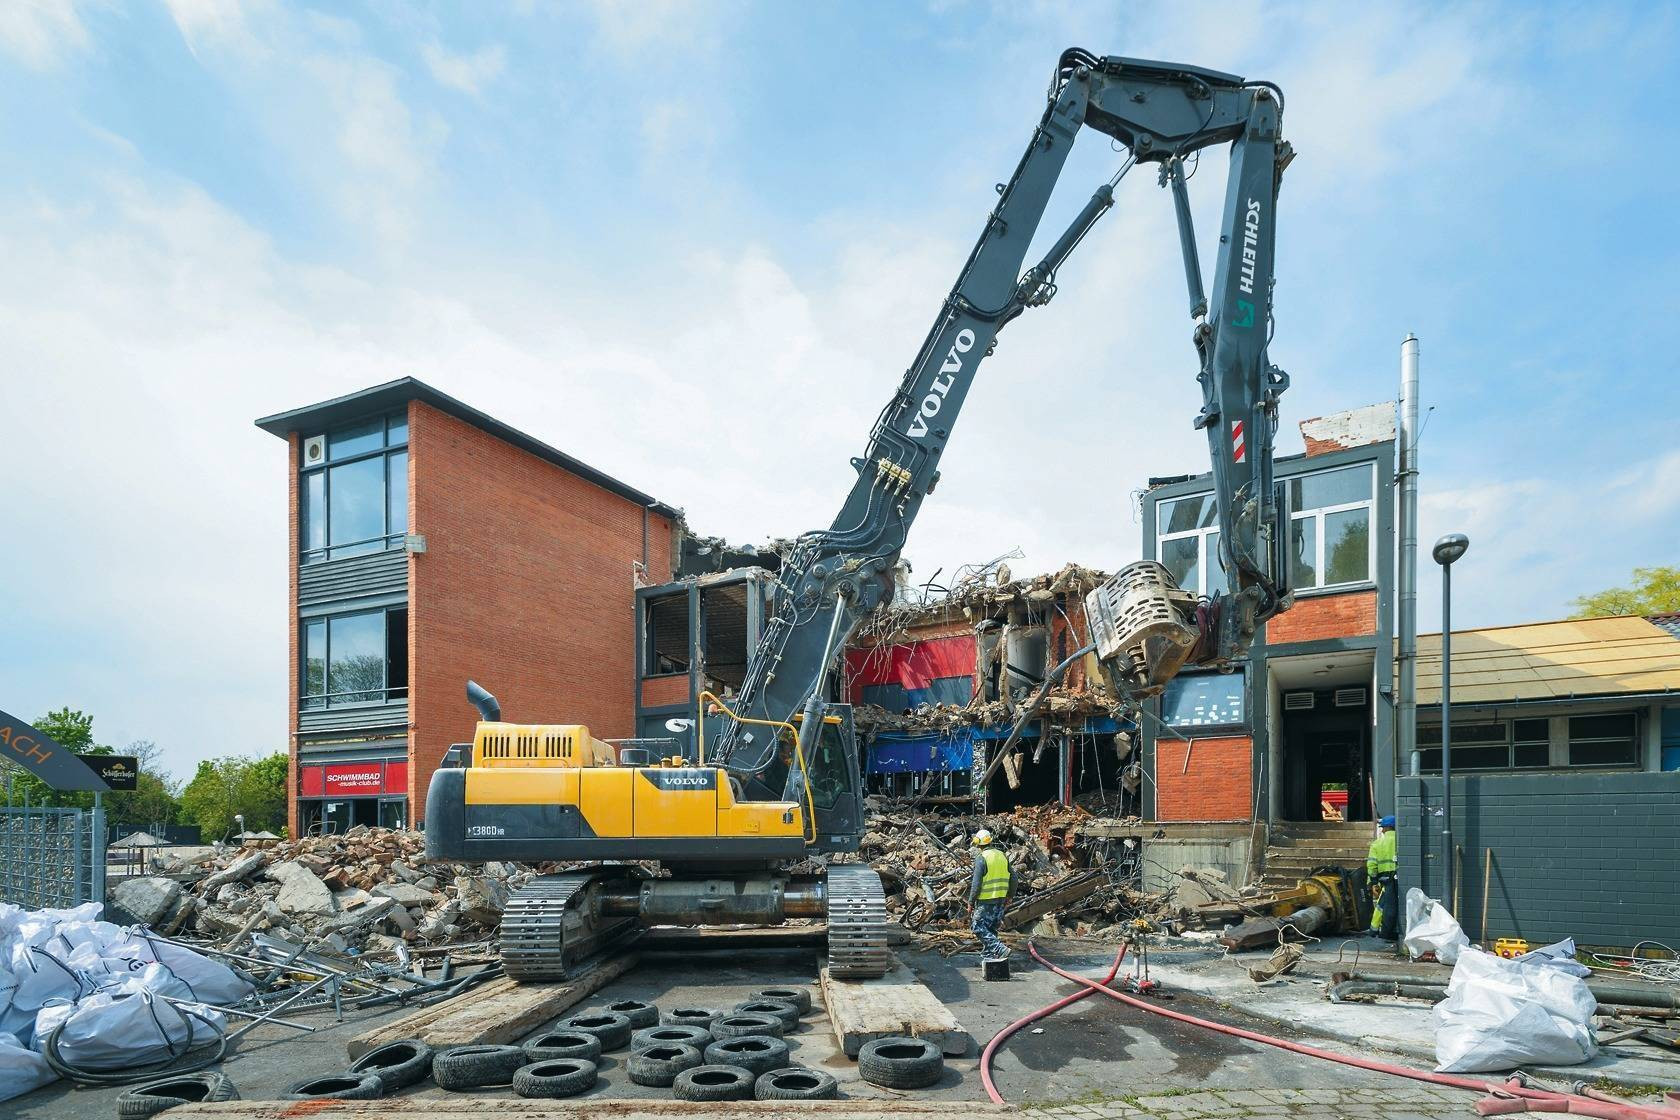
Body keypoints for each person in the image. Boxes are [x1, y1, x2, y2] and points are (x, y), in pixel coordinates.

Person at [968, 828, 1012, 961]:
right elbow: (1014, 878)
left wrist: (970, 902)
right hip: (1001, 899)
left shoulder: (982, 858)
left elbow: (976, 885)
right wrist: (1010, 896)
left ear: (979, 845)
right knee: (991, 928)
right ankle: (990, 956)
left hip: (986, 900)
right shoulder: (1002, 855)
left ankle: (999, 949)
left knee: (977, 926)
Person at [1367, 815, 1399, 940]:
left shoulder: (1377, 843)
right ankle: (1379, 930)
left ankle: (1378, 931)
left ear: (1387, 827)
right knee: (1391, 904)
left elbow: (1372, 865)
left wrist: (1373, 882)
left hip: (1385, 878)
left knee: (1384, 904)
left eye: (1383, 827)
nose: (1381, 830)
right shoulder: (1400, 840)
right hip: (1398, 877)